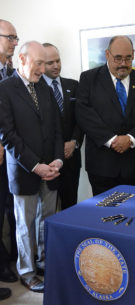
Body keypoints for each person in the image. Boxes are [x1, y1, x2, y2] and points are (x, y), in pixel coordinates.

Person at [0, 41, 64, 293]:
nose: (43, 68)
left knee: (47, 220)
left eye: (44, 63)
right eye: (39, 63)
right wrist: (36, 166)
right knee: (25, 224)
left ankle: (44, 264)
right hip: (25, 170)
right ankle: (27, 272)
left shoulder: (45, 88)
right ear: (22, 59)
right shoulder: (4, 89)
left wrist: (58, 160)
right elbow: (8, 136)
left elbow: (58, 129)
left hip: (51, 168)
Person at [76, 35, 135, 195]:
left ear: (133, 54)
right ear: (107, 55)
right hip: (101, 165)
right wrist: (112, 140)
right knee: (103, 215)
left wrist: (131, 139)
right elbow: (84, 114)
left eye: (128, 58)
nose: (123, 64)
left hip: (133, 164)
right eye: (118, 58)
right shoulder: (89, 79)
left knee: (133, 213)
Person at [42, 43, 84, 209]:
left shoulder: (73, 86)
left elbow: (81, 119)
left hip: (72, 157)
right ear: (40, 63)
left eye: (58, 61)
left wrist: (74, 141)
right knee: (47, 209)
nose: (56, 66)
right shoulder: (35, 89)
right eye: (50, 62)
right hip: (48, 160)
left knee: (70, 205)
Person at [0, 19, 19, 300]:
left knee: (7, 208)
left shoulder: (12, 73)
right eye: (10, 37)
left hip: (10, 156)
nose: (15, 42)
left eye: (17, 38)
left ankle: (7, 262)